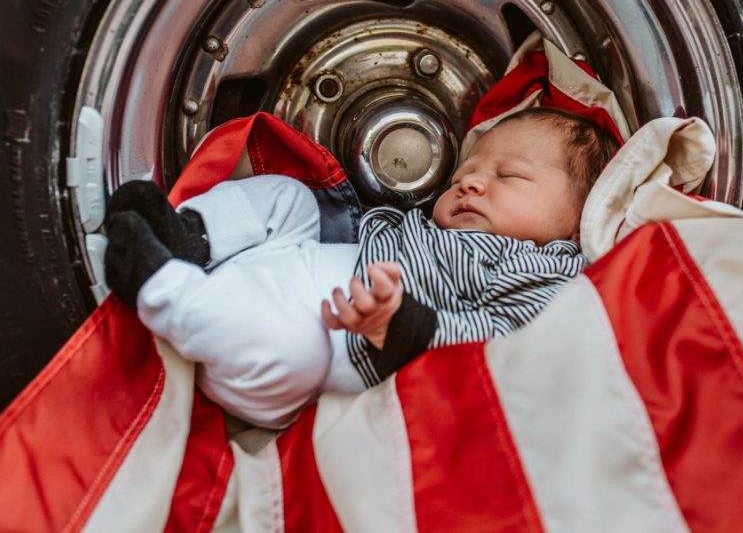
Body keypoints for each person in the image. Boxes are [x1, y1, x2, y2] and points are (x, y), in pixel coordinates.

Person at [104, 108, 619, 428]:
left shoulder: (551, 275)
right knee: (291, 199)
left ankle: (159, 286)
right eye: (467, 171)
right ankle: (191, 237)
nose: (471, 183)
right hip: (322, 259)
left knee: (290, 346)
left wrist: (402, 327)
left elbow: (506, 342)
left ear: (579, 218)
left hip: (331, 342)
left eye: (509, 176)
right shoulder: (433, 226)